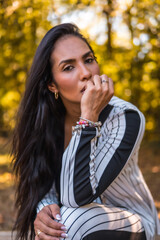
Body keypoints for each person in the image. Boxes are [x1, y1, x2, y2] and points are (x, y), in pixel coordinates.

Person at [12, 23, 160, 240]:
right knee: (56, 226)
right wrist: (45, 208)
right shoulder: (47, 122)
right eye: (68, 67)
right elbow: (44, 183)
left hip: (132, 221)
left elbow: (76, 197)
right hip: (78, 221)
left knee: (69, 223)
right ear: (52, 85)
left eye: (89, 60)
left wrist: (88, 117)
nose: (86, 73)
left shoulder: (127, 117)